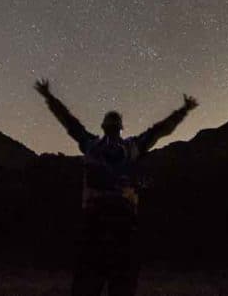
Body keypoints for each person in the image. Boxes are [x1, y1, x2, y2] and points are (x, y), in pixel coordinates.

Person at [34, 78, 198, 296]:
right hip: (123, 223)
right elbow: (160, 130)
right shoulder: (132, 147)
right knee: (121, 283)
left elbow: (69, 122)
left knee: (88, 282)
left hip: (96, 222)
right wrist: (183, 111)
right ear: (121, 128)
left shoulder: (91, 145)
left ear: (103, 127)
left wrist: (49, 97)